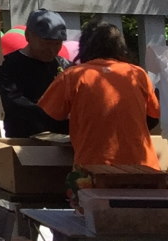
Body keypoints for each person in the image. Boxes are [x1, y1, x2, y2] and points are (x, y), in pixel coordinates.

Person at [38, 20, 161, 168]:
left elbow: (46, 119)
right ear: (120, 47)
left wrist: (85, 126)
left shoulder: (72, 76)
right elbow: (153, 119)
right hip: (145, 168)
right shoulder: (137, 74)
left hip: (94, 169)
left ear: (84, 47)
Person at [0, 8, 71, 138]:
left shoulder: (64, 66)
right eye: (46, 43)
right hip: (24, 138)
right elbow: (15, 102)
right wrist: (52, 114)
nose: (52, 50)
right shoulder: (8, 64)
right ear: (28, 36)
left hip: (63, 138)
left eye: (57, 44)